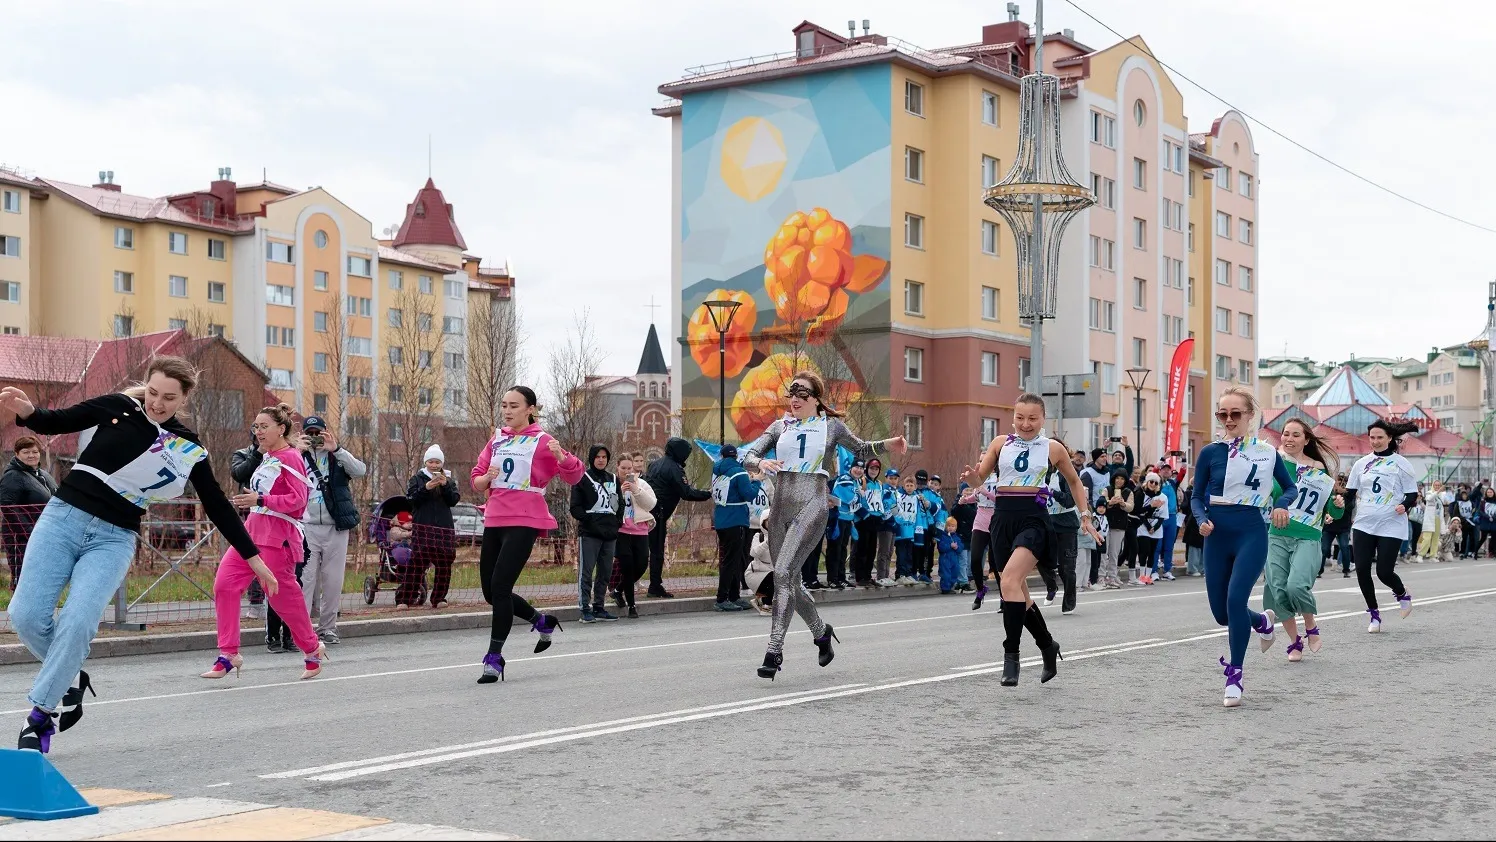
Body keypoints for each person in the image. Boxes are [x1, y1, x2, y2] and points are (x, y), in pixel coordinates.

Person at [3, 357, 263, 753]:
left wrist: (254, 558)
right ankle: (69, 676)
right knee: (24, 616)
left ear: (184, 398)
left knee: (78, 621)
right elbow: (55, 420)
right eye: (153, 392)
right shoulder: (117, 407)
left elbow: (217, 505)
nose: (157, 403)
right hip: (62, 519)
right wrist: (27, 413)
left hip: (113, 537)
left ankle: (39, 717)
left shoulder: (187, 447)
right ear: (147, 385)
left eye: (168, 398)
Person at [741, 371, 906, 679]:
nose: (794, 400)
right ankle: (821, 633)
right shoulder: (779, 427)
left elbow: (859, 448)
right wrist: (759, 462)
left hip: (813, 502)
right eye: (791, 394)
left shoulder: (831, 427)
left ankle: (774, 651)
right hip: (781, 506)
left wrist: (889, 443)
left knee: (781, 573)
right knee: (789, 581)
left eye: (801, 394)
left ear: (816, 399)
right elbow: (748, 454)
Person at [959, 394, 1100, 686]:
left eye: (1032, 418)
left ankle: (1011, 658)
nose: (1026, 424)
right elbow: (979, 479)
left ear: (1042, 419)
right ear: (1013, 417)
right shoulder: (1000, 443)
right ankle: (1048, 647)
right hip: (1002, 520)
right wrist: (973, 478)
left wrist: (1085, 516)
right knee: (1017, 595)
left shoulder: (1053, 448)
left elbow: (1074, 481)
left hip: (1034, 520)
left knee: (1009, 582)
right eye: (1020, 417)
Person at [201, 404, 326, 681]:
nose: (258, 431)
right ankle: (229, 654)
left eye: (264, 426)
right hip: (249, 535)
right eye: (255, 426)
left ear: (281, 429)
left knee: (283, 600)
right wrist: (254, 501)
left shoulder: (291, 457)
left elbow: (298, 502)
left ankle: (312, 648)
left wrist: (260, 500)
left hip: (277, 538)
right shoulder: (267, 457)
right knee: (224, 585)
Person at [1190, 386, 1297, 708]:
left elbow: (1290, 489)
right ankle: (1262, 622)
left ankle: (1235, 675)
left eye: (1235, 414)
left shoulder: (1267, 453)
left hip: (1251, 531)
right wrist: (1200, 518)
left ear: (1250, 416)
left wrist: (1281, 505)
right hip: (1217, 534)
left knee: (1236, 599)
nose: (1229, 419)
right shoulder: (1210, 452)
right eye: (1223, 414)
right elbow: (1196, 496)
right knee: (1222, 614)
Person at [471, 386, 584, 683]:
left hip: (525, 519)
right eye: (504, 405)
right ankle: (542, 621)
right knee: (491, 593)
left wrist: (563, 457)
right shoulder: (497, 439)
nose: (507, 411)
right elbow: (477, 479)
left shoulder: (544, 441)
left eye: (514, 406)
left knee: (500, 585)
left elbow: (575, 475)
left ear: (530, 409)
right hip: (495, 517)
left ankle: (494, 658)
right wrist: (485, 478)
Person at [1262, 418, 1336, 663]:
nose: (1289, 439)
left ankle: (1311, 625)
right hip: (1277, 534)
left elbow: (1331, 510)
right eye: (1285, 434)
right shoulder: (1273, 462)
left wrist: (1337, 507)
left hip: (1307, 535)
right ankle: (1294, 640)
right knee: (1277, 590)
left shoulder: (1317, 469)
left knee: (1296, 585)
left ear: (1306, 440)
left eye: (1295, 435)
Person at [297, 415, 367, 645]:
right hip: (307, 526)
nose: (315, 438)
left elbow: (360, 470)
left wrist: (336, 449)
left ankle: (328, 628)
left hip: (335, 526)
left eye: (319, 433)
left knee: (333, 580)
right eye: (310, 434)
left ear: (326, 433)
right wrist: (296, 450)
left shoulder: (337, 457)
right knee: (305, 579)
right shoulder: (298, 456)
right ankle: (303, 628)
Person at [1346, 419, 1420, 633]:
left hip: (1391, 523)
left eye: (1380, 437)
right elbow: (1350, 494)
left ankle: (1401, 593)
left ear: (1389, 438)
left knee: (1384, 572)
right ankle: (1374, 615)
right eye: (1372, 437)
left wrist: (1404, 505)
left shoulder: (1401, 463)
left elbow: (1412, 494)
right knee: (1361, 570)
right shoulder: (1361, 464)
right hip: (1364, 523)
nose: (1375, 441)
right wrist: (1339, 504)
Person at [642, 437, 712, 599]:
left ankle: (630, 583)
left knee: (643, 549)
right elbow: (686, 493)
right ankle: (654, 586)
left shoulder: (654, 464)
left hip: (647, 511)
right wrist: (708, 494)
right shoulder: (674, 469)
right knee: (657, 551)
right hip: (658, 513)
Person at [570, 444, 622, 623]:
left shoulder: (614, 479)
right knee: (587, 572)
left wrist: (616, 524)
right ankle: (585, 608)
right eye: (598, 457)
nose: (601, 460)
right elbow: (575, 507)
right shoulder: (582, 478)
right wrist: (589, 521)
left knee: (605, 572)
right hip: (590, 534)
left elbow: (619, 504)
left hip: (610, 533)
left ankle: (599, 607)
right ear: (592, 458)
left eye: (604, 457)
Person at [406, 444, 461, 609]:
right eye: (431, 461)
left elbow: (454, 500)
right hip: (423, 529)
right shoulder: (417, 479)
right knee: (417, 563)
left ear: (442, 463)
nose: (434, 465)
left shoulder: (449, 481)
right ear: (425, 462)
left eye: (437, 462)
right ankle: (404, 599)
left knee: (444, 564)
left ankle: (439, 598)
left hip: (444, 530)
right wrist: (427, 488)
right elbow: (411, 500)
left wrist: (444, 486)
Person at [1, 435, 57, 590]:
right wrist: (29, 531)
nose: (31, 455)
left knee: (41, 575)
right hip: (20, 536)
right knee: (23, 576)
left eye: (35, 451)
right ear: (17, 454)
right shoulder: (13, 476)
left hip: (42, 533)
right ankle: (17, 612)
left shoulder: (43, 474)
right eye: (26, 452)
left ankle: (36, 612)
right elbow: (7, 506)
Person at [710, 443, 759, 612]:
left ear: (722, 456)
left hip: (722, 519)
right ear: (736, 456)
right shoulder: (739, 471)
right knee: (732, 561)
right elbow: (749, 494)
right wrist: (757, 482)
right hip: (736, 519)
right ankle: (722, 598)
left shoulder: (716, 470)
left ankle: (734, 596)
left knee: (732, 559)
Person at [609, 452, 656, 618]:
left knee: (642, 564)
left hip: (640, 530)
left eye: (630, 468)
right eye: (623, 468)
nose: (627, 471)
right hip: (622, 531)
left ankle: (617, 590)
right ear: (618, 468)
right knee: (627, 568)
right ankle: (632, 606)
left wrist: (636, 489)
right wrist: (620, 492)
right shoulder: (612, 484)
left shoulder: (642, 483)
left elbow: (651, 504)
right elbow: (611, 507)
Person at [1099, 473, 1134, 589]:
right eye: (1117, 478)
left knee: (1114, 553)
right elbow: (1101, 503)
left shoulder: (1128, 492)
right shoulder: (1107, 489)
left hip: (1119, 525)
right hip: (1106, 525)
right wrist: (1110, 502)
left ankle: (1112, 577)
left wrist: (1122, 503)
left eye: (1122, 479)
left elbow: (1131, 507)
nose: (1119, 481)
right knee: (1104, 552)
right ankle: (1101, 577)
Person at [1135, 473, 1167, 586]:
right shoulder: (1142, 495)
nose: (1153, 484)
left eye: (1156, 482)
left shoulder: (1163, 497)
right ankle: (1141, 575)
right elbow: (1140, 512)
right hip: (1143, 527)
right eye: (1151, 482)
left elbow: (1163, 515)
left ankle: (1148, 576)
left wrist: (1155, 527)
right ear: (1147, 482)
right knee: (1144, 550)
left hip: (1156, 528)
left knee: (1152, 553)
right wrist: (1148, 527)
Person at [892, 472, 920, 585]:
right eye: (907, 485)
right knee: (901, 554)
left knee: (909, 554)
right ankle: (900, 574)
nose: (909, 488)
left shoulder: (916, 498)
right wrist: (897, 521)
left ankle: (908, 574)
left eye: (911, 485)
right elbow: (893, 507)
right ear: (904, 486)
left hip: (910, 531)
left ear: (915, 486)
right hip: (901, 530)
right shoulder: (898, 495)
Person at [1154, 464, 1180, 580]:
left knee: (1169, 545)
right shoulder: (1156, 483)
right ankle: (1153, 571)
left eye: (1168, 470)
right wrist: (1163, 458)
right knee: (1157, 545)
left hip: (1172, 516)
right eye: (1163, 469)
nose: (1166, 471)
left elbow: (1183, 472)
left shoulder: (1173, 483)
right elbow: (1154, 472)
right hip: (1159, 516)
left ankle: (1167, 570)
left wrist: (1183, 458)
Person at [951, 481, 978, 594]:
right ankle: (963, 582)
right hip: (961, 535)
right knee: (963, 560)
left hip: (971, 535)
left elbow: (975, 515)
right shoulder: (959, 502)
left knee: (969, 561)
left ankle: (962, 580)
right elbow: (954, 512)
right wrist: (961, 504)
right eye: (966, 490)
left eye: (970, 490)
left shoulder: (974, 503)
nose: (968, 492)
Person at [1416, 481, 1446, 563]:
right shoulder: (1429, 493)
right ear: (1433, 486)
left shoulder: (1441, 496)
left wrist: (1441, 491)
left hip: (1438, 519)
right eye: (1435, 485)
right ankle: (1420, 555)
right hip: (1430, 519)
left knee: (1435, 538)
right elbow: (1429, 498)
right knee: (1427, 538)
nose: (1437, 486)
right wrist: (1438, 491)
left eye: (1438, 485)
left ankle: (1433, 555)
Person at [936, 517, 965, 594]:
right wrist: (950, 546)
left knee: (954, 572)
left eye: (953, 526)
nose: (950, 528)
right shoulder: (942, 536)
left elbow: (960, 548)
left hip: (954, 559)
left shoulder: (957, 537)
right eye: (949, 526)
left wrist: (957, 547)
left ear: (955, 528)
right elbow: (941, 547)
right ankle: (945, 588)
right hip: (945, 558)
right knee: (946, 574)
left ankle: (950, 586)